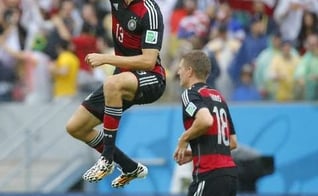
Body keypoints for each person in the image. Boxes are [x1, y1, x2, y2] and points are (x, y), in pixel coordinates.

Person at [65, 0, 166, 188]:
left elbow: (149, 61)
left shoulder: (149, 12)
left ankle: (107, 159)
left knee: (111, 83)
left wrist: (105, 58)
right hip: (122, 76)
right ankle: (130, 167)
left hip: (151, 78)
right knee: (75, 127)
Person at [174, 50, 238, 196]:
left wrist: (184, 139)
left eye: (181, 68)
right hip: (230, 175)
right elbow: (233, 142)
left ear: (189, 71)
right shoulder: (218, 96)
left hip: (210, 174)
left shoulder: (190, 94)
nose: (178, 72)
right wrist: (195, 152)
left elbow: (205, 120)